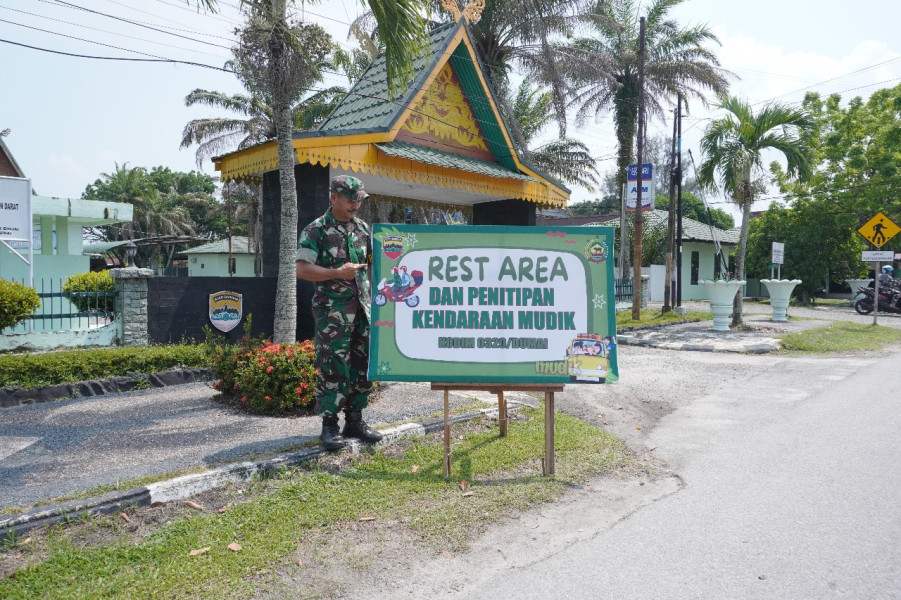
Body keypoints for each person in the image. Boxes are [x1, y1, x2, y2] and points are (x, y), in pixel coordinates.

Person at [295, 175, 383, 450]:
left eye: (359, 200)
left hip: (363, 310)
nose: (356, 205)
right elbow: (302, 270)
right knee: (333, 365)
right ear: (334, 198)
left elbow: (372, 265)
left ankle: (355, 420)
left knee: (363, 364)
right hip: (332, 312)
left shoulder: (363, 229)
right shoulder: (316, 230)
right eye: (351, 200)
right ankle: (330, 425)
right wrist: (336, 273)